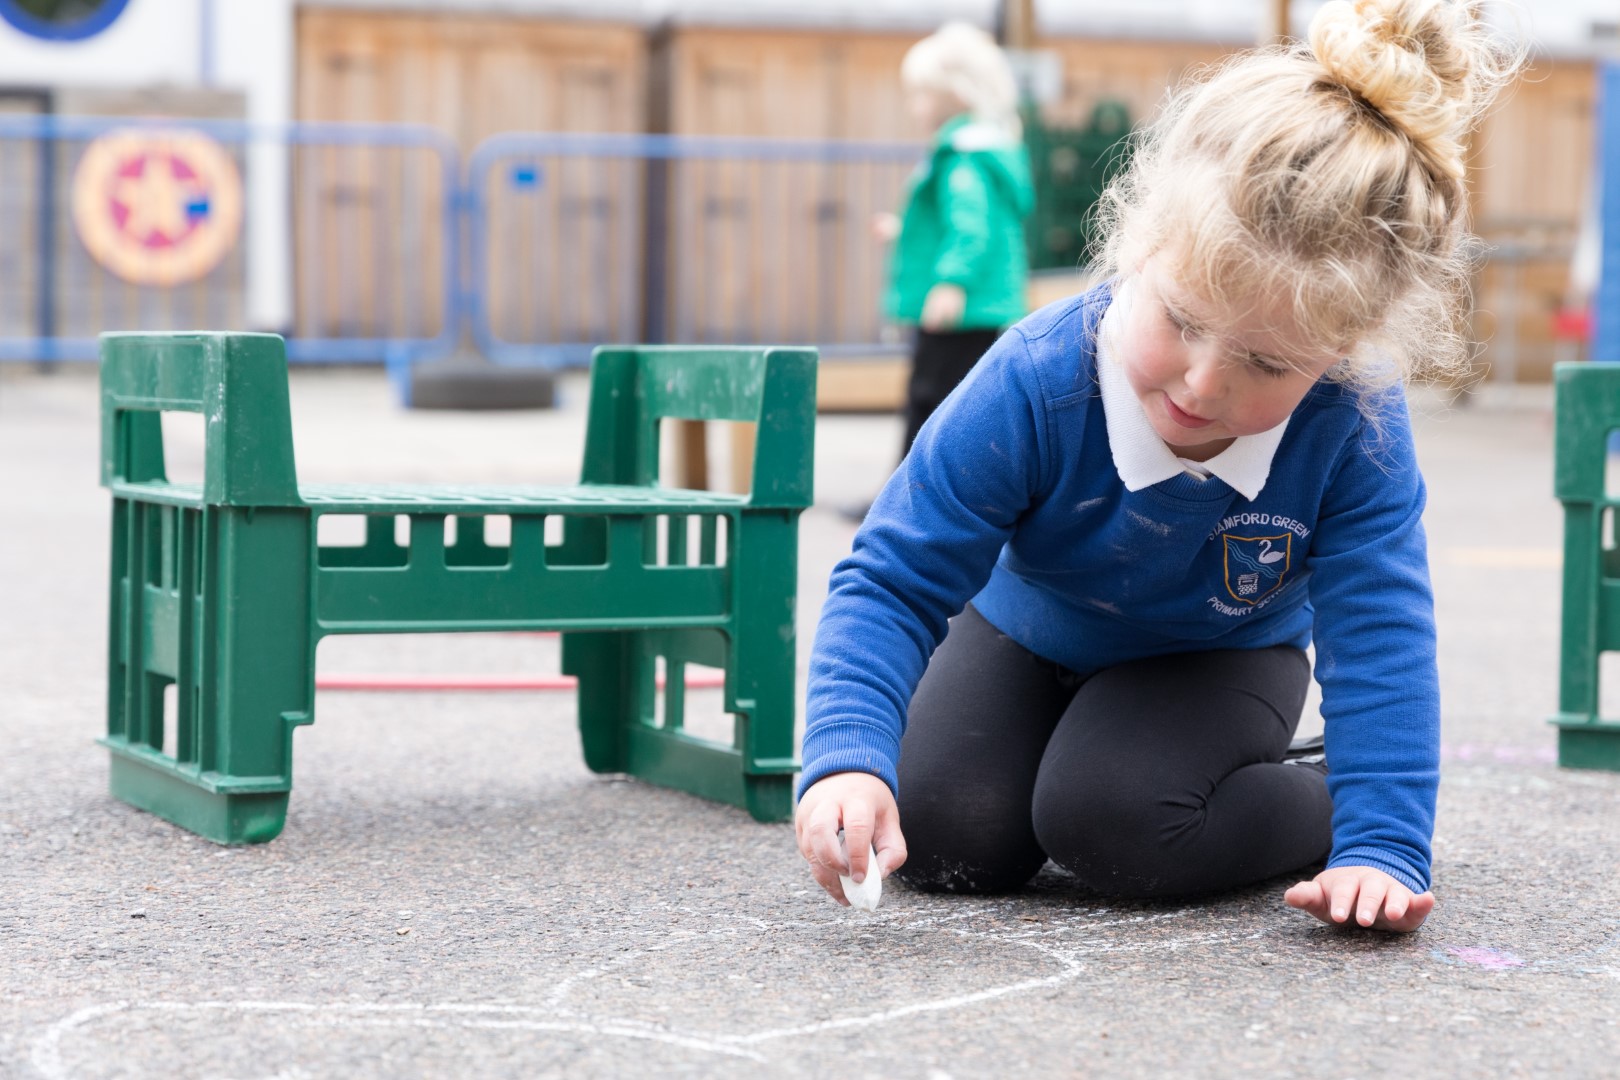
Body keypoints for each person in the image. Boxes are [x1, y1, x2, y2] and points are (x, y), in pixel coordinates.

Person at [796, 0, 1520, 932]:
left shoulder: (1355, 424)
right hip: (1029, 629)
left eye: (1267, 363)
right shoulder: (1037, 376)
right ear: (1137, 248)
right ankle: (1068, 750)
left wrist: (1381, 842)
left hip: (1217, 656)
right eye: (1179, 319)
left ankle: (1321, 794)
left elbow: (1378, 636)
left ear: (1341, 353)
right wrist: (847, 757)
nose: (1203, 382)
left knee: (1113, 820)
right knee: (942, 830)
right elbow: (893, 575)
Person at [879, 22, 1034, 466]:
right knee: (954, 401)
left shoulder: (962, 158)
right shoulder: (984, 150)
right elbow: (961, 224)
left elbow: (972, 226)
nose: (914, 106)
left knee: (929, 398)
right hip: (979, 306)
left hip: (959, 308)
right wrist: (901, 231)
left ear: (956, 96)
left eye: (921, 94)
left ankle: (906, 497)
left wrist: (951, 282)